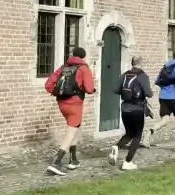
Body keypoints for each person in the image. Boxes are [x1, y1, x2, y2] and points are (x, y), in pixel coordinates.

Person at [43, 47, 96, 176]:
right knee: (71, 133)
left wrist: (59, 94)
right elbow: (89, 89)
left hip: (62, 104)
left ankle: (73, 160)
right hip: (75, 105)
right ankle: (56, 162)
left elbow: (48, 85)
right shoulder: (83, 68)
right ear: (83, 57)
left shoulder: (64, 68)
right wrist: (91, 89)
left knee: (76, 128)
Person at [108, 56, 153, 170]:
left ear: (132, 63)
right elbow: (149, 93)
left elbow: (115, 89)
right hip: (137, 109)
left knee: (129, 133)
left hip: (125, 108)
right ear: (141, 63)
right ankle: (128, 162)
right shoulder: (143, 75)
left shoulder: (125, 75)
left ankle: (116, 147)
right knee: (137, 135)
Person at [142, 50, 175, 152]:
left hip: (163, 97)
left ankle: (150, 131)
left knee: (165, 119)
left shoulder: (165, 67)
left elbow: (157, 81)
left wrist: (166, 89)